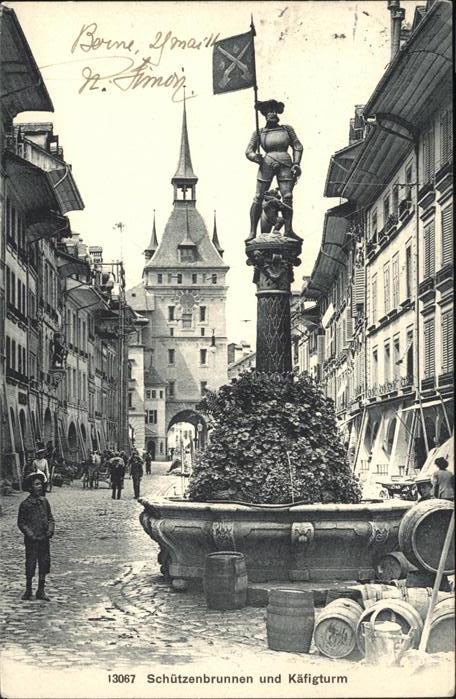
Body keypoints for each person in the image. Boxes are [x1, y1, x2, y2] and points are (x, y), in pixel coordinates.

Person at [245, 99, 303, 241]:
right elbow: (248, 151)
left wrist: (296, 163)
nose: (271, 113)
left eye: (274, 110)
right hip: (266, 162)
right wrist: (255, 157)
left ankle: (288, 230)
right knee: (258, 196)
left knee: (287, 196)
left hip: (285, 162)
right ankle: (252, 232)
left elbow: (297, 146)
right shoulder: (259, 132)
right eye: (268, 111)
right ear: (264, 114)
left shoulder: (287, 129)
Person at [17, 472, 55, 601]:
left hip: (44, 539)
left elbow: (50, 518)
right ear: (30, 487)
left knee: (44, 563)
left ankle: (41, 590)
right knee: (31, 564)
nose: (40, 487)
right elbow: (21, 523)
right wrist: (30, 534)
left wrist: (50, 531)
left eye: (41, 484)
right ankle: (28, 590)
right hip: (32, 541)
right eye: (36, 484)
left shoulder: (44, 501)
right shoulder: (25, 504)